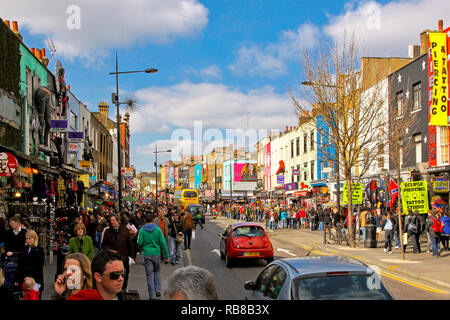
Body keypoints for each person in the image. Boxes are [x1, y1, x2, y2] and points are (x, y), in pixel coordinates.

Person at [68, 250, 137, 300]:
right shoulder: (82, 297)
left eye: (123, 273)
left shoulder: (132, 298)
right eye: (115, 275)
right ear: (98, 277)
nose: (121, 278)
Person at [137, 214, 169, 300]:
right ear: (153, 219)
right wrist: (166, 255)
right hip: (156, 253)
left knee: (149, 275)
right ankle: (158, 289)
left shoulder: (142, 230)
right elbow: (163, 243)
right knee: (157, 272)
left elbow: (139, 243)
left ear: (144, 220)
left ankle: (152, 294)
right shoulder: (158, 230)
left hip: (147, 253)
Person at [101, 214, 136, 291]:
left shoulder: (125, 230)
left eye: (113, 220)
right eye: (111, 220)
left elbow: (130, 244)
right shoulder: (107, 231)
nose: (112, 222)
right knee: (113, 276)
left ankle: (123, 290)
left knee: (124, 275)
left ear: (118, 221)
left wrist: (132, 256)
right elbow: (103, 244)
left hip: (124, 257)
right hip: (112, 258)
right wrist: (109, 250)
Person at [14, 229, 45, 298]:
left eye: (30, 239)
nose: (28, 240)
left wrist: (30, 277)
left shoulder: (40, 250)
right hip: (24, 280)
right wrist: (17, 279)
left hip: (35, 279)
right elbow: (20, 265)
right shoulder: (24, 249)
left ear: (34, 239)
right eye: (27, 239)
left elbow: (39, 266)